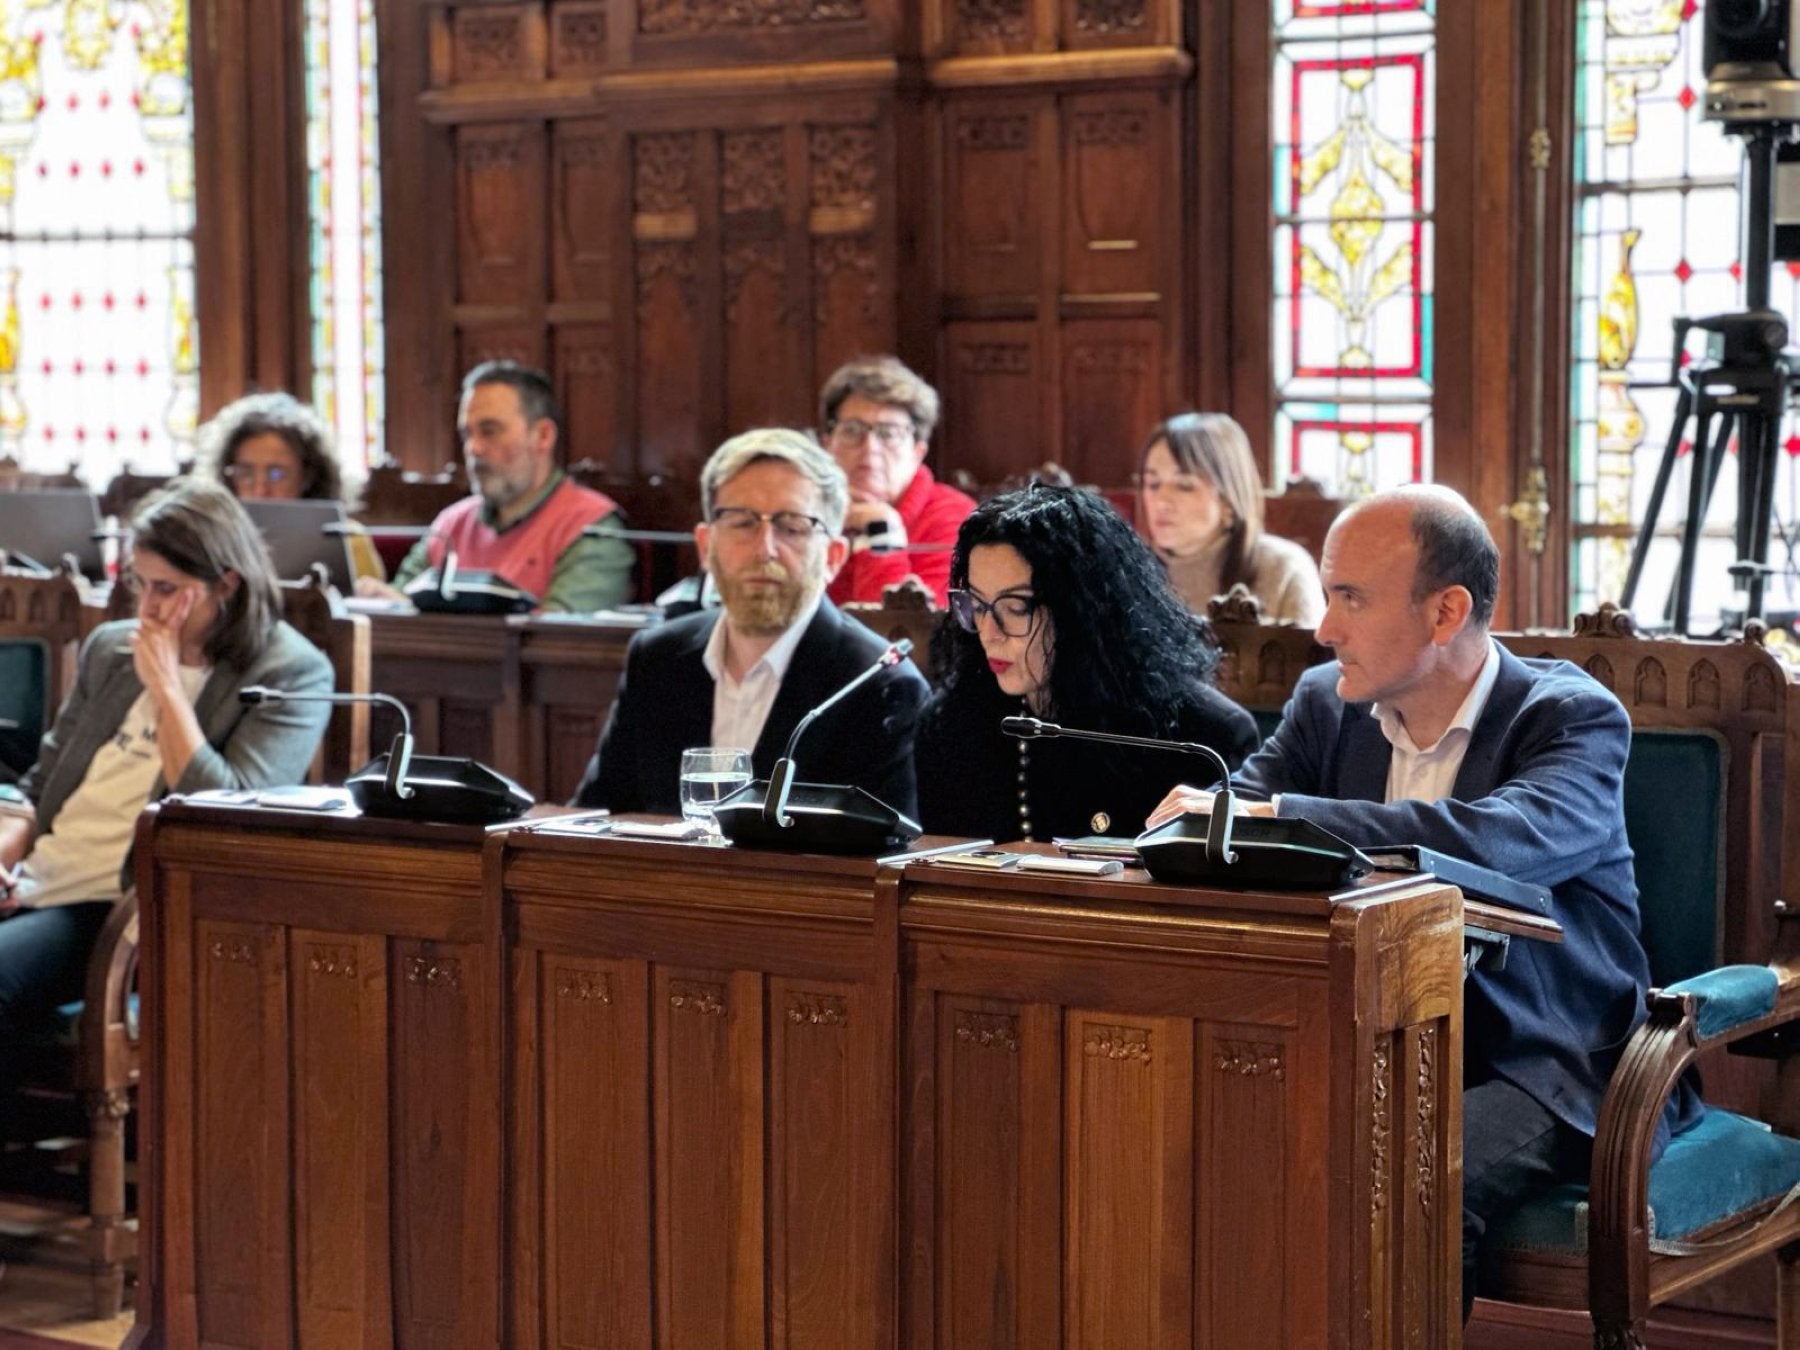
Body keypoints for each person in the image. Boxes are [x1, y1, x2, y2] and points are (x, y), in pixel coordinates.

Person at [1146, 484, 1700, 1319]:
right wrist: (1200, 824)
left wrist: (1281, 817)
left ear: (1447, 611)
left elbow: (1494, 841)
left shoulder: (1573, 718)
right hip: (1368, 1036)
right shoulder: (1325, 706)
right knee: (1204, 1144)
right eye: (1328, 595)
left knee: (1407, 1172)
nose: (1324, 629)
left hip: (1545, 1058)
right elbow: (1238, 817)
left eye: (1352, 599)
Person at [0, 480, 332, 1103]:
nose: (147, 609)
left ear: (226, 586)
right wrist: (4, 855)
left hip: (122, 903)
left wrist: (169, 692)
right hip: (42, 874)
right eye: (139, 585)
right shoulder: (109, 649)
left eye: (167, 590)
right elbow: (39, 786)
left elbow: (224, 819)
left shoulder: (289, 671)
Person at [573, 427, 929, 816]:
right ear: (706, 546)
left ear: (833, 556)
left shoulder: (878, 682)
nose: (764, 549)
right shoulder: (657, 657)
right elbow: (599, 813)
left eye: (791, 526)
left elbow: (892, 856)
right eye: (742, 522)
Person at [913, 484, 1257, 842]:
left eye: (1016, 608)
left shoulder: (1202, 739)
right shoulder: (950, 726)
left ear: (1082, 611)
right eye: (978, 606)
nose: (988, 633)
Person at [356, 361, 633, 612]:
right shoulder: (450, 524)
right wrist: (382, 600)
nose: (473, 448)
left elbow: (561, 639)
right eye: (467, 433)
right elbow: (400, 602)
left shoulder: (591, 526)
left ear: (543, 436)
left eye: (489, 431)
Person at [1137, 412, 1323, 624]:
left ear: (1228, 498)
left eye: (1184, 486)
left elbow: (1314, 656)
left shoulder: (1284, 569)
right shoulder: (1127, 570)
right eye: (1152, 484)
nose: (1161, 502)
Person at [819, 356, 975, 607]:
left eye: (888, 433)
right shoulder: (804, 509)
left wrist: (880, 532)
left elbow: (905, 636)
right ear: (827, 444)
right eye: (852, 430)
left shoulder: (954, 518)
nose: (869, 449)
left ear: (918, 452)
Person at [199, 389, 385, 580]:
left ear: (307, 477)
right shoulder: (207, 538)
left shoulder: (349, 540)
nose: (260, 490)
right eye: (246, 473)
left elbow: (371, 607)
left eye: (276, 473)